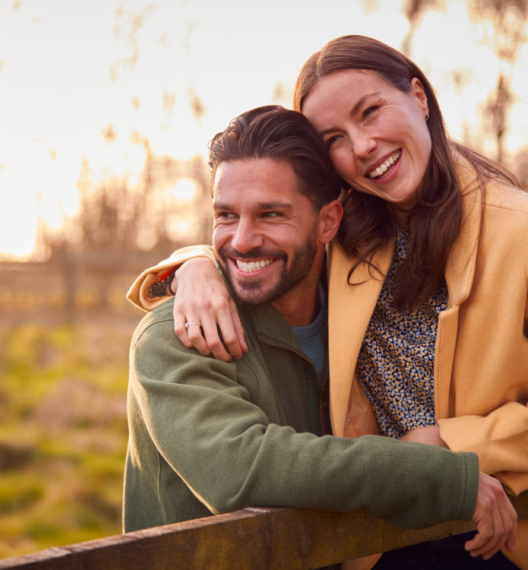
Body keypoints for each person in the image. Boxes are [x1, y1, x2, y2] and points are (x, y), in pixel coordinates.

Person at [133, 36, 528, 569]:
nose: (362, 146)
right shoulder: (357, 235)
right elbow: (263, 230)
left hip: (493, 528)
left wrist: (448, 445)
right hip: (379, 539)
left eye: (371, 112)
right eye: (335, 137)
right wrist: (195, 265)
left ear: (419, 95)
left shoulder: (513, 232)